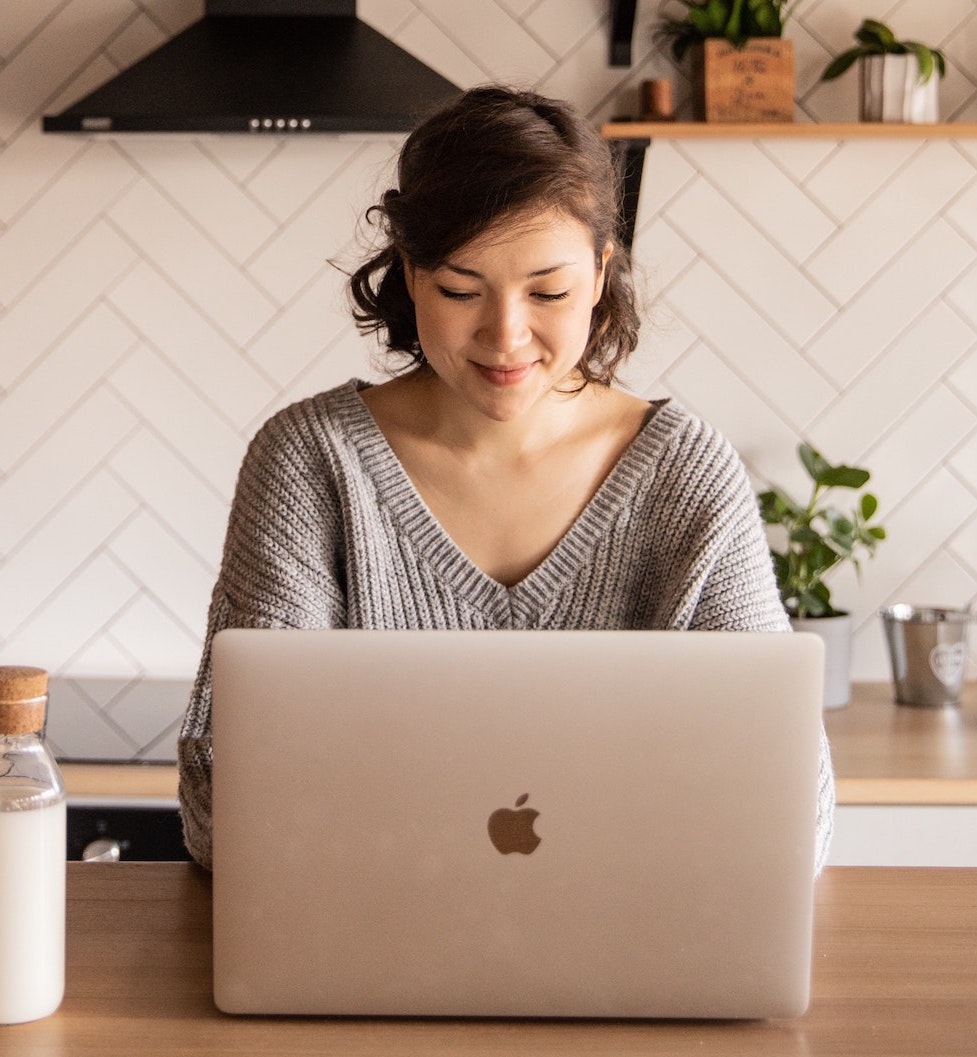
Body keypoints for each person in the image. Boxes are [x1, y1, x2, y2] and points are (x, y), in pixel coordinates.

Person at [178, 85, 834, 872]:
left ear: (599, 274)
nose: (505, 335)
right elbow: (225, 812)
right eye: (461, 289)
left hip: (631, 958)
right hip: (371, 957)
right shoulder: (310, 463)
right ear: (410, 273)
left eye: (548, 291)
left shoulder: (684, 474)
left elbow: (791, 814)